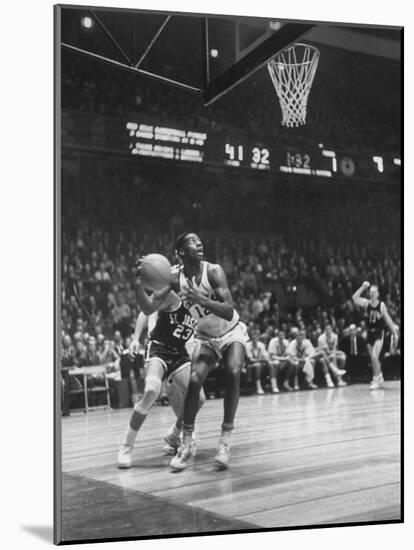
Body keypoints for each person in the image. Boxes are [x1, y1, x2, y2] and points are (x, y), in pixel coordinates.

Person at [169, 232, 248, 471]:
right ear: (181, 252)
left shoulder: (213, 271)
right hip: (205, 336)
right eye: (193, 242)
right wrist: (143, 275)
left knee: (233, 372)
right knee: (194, 380)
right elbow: (152, 287)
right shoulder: (175, 278)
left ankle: (224, 441)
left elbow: (229, 310)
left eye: (200, 240)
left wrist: (201, 300)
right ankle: (186, 443)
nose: (200, 243)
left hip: (231, 331)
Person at [117, 263, 204, 468]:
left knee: (198, 398)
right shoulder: (171, 294)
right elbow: (146, 310)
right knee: (152, 390)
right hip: (159, 347)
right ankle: (126, 446)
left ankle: (174, 433)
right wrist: (136, 338)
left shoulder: (200, 303)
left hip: (180, 352)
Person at [352, 281, 398, 390]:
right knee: (373, 359)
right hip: (370, 333)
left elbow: (387, 319)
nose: (372, 294)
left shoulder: (381, 305)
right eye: (371, 292)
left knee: (374, 356)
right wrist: (362, 287)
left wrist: (394, 332)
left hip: (378, 332)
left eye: (374, 292)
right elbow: (354, 298)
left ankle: (376, 378)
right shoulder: (366, 303)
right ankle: (380, 375)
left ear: (378, 294)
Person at [246, 329, 270, 395]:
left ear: (258, 338)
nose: (255, 339)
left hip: (260, 363)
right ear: (251, 338)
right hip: (249, 365)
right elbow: (250, 359)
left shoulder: (261, 345)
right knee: (258, 365)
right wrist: (261, 359)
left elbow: (266, 357)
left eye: (256, 338)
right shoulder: (247, 345)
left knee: (269, 364)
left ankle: (268, 384)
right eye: (253, 338)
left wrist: (263, 359)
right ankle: (258, 387)